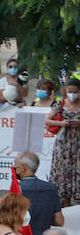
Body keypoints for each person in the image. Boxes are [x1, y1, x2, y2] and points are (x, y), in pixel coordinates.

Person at [48, 79, 80, 207]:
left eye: (75, 92)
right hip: (63, 144)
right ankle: (64, 206)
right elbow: (46, 119)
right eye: (69, 91)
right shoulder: (60, 104)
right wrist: (60, 123)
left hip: (77, 143)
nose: (72, 94)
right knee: (62, 172)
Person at [15, 151, 64, 234]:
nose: (14, 168)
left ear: (23, 167)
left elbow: (9, 219)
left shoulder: (17, 189)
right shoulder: (51, 188)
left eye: (16, 166)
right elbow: (59, 221)